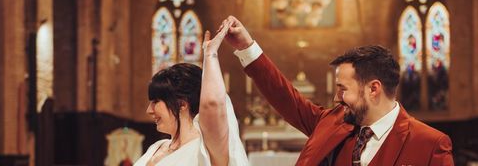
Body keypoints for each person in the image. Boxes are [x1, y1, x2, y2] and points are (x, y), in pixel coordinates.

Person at [224, 16, 453, 165]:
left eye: (343, 89)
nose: (336, 97)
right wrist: (246, 47)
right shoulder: (333, 121)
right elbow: (285, 97)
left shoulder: (430, 145)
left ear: (373, 89)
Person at [134, 19, 248, 166]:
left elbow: (213, 104)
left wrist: (210, 55)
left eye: (156, 101)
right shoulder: (157, 147)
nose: (149, 110)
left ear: (182, 104)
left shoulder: (207, 150)